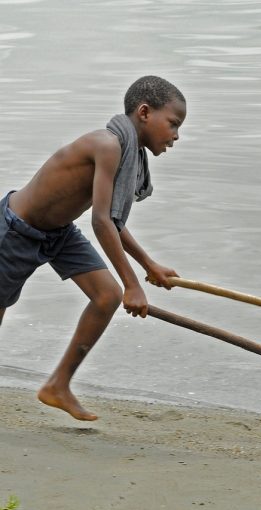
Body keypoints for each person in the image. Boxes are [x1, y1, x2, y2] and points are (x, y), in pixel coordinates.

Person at [0, 76, 187, 421]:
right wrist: (132, 284)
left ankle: (58, 385)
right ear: (145, 112)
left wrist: (148, 265)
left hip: (58, 233)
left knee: (106, 296)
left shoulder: (125, 152)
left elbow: (112, 221)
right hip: (16, 230)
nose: (176, 135)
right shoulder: (108, 146)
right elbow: (101, 221)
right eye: (173, 124)